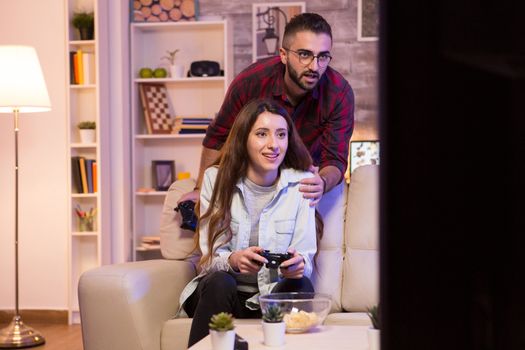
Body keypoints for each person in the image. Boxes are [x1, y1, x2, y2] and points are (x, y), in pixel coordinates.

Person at [178, 99, 320, 347]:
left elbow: (305, 258)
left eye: (281, 134)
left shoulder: (302, 183)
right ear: (244, 138)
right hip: (223, 295)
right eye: (262, 134)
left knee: (301, 283)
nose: (273, 144)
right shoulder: (216, 179)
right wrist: (232, 261)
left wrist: (298, 265)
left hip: (270, 299)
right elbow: (208, 260)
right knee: (221, 281)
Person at [180, 12, 354, 207]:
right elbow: (218, 137)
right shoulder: (250, 83)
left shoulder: (339, 93)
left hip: (303, 181)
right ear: (283, 55)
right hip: (252, 177)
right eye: (304, 54)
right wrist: (199, 189)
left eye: (322, 56)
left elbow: (335, 159)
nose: (314, 66)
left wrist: (321, 182)